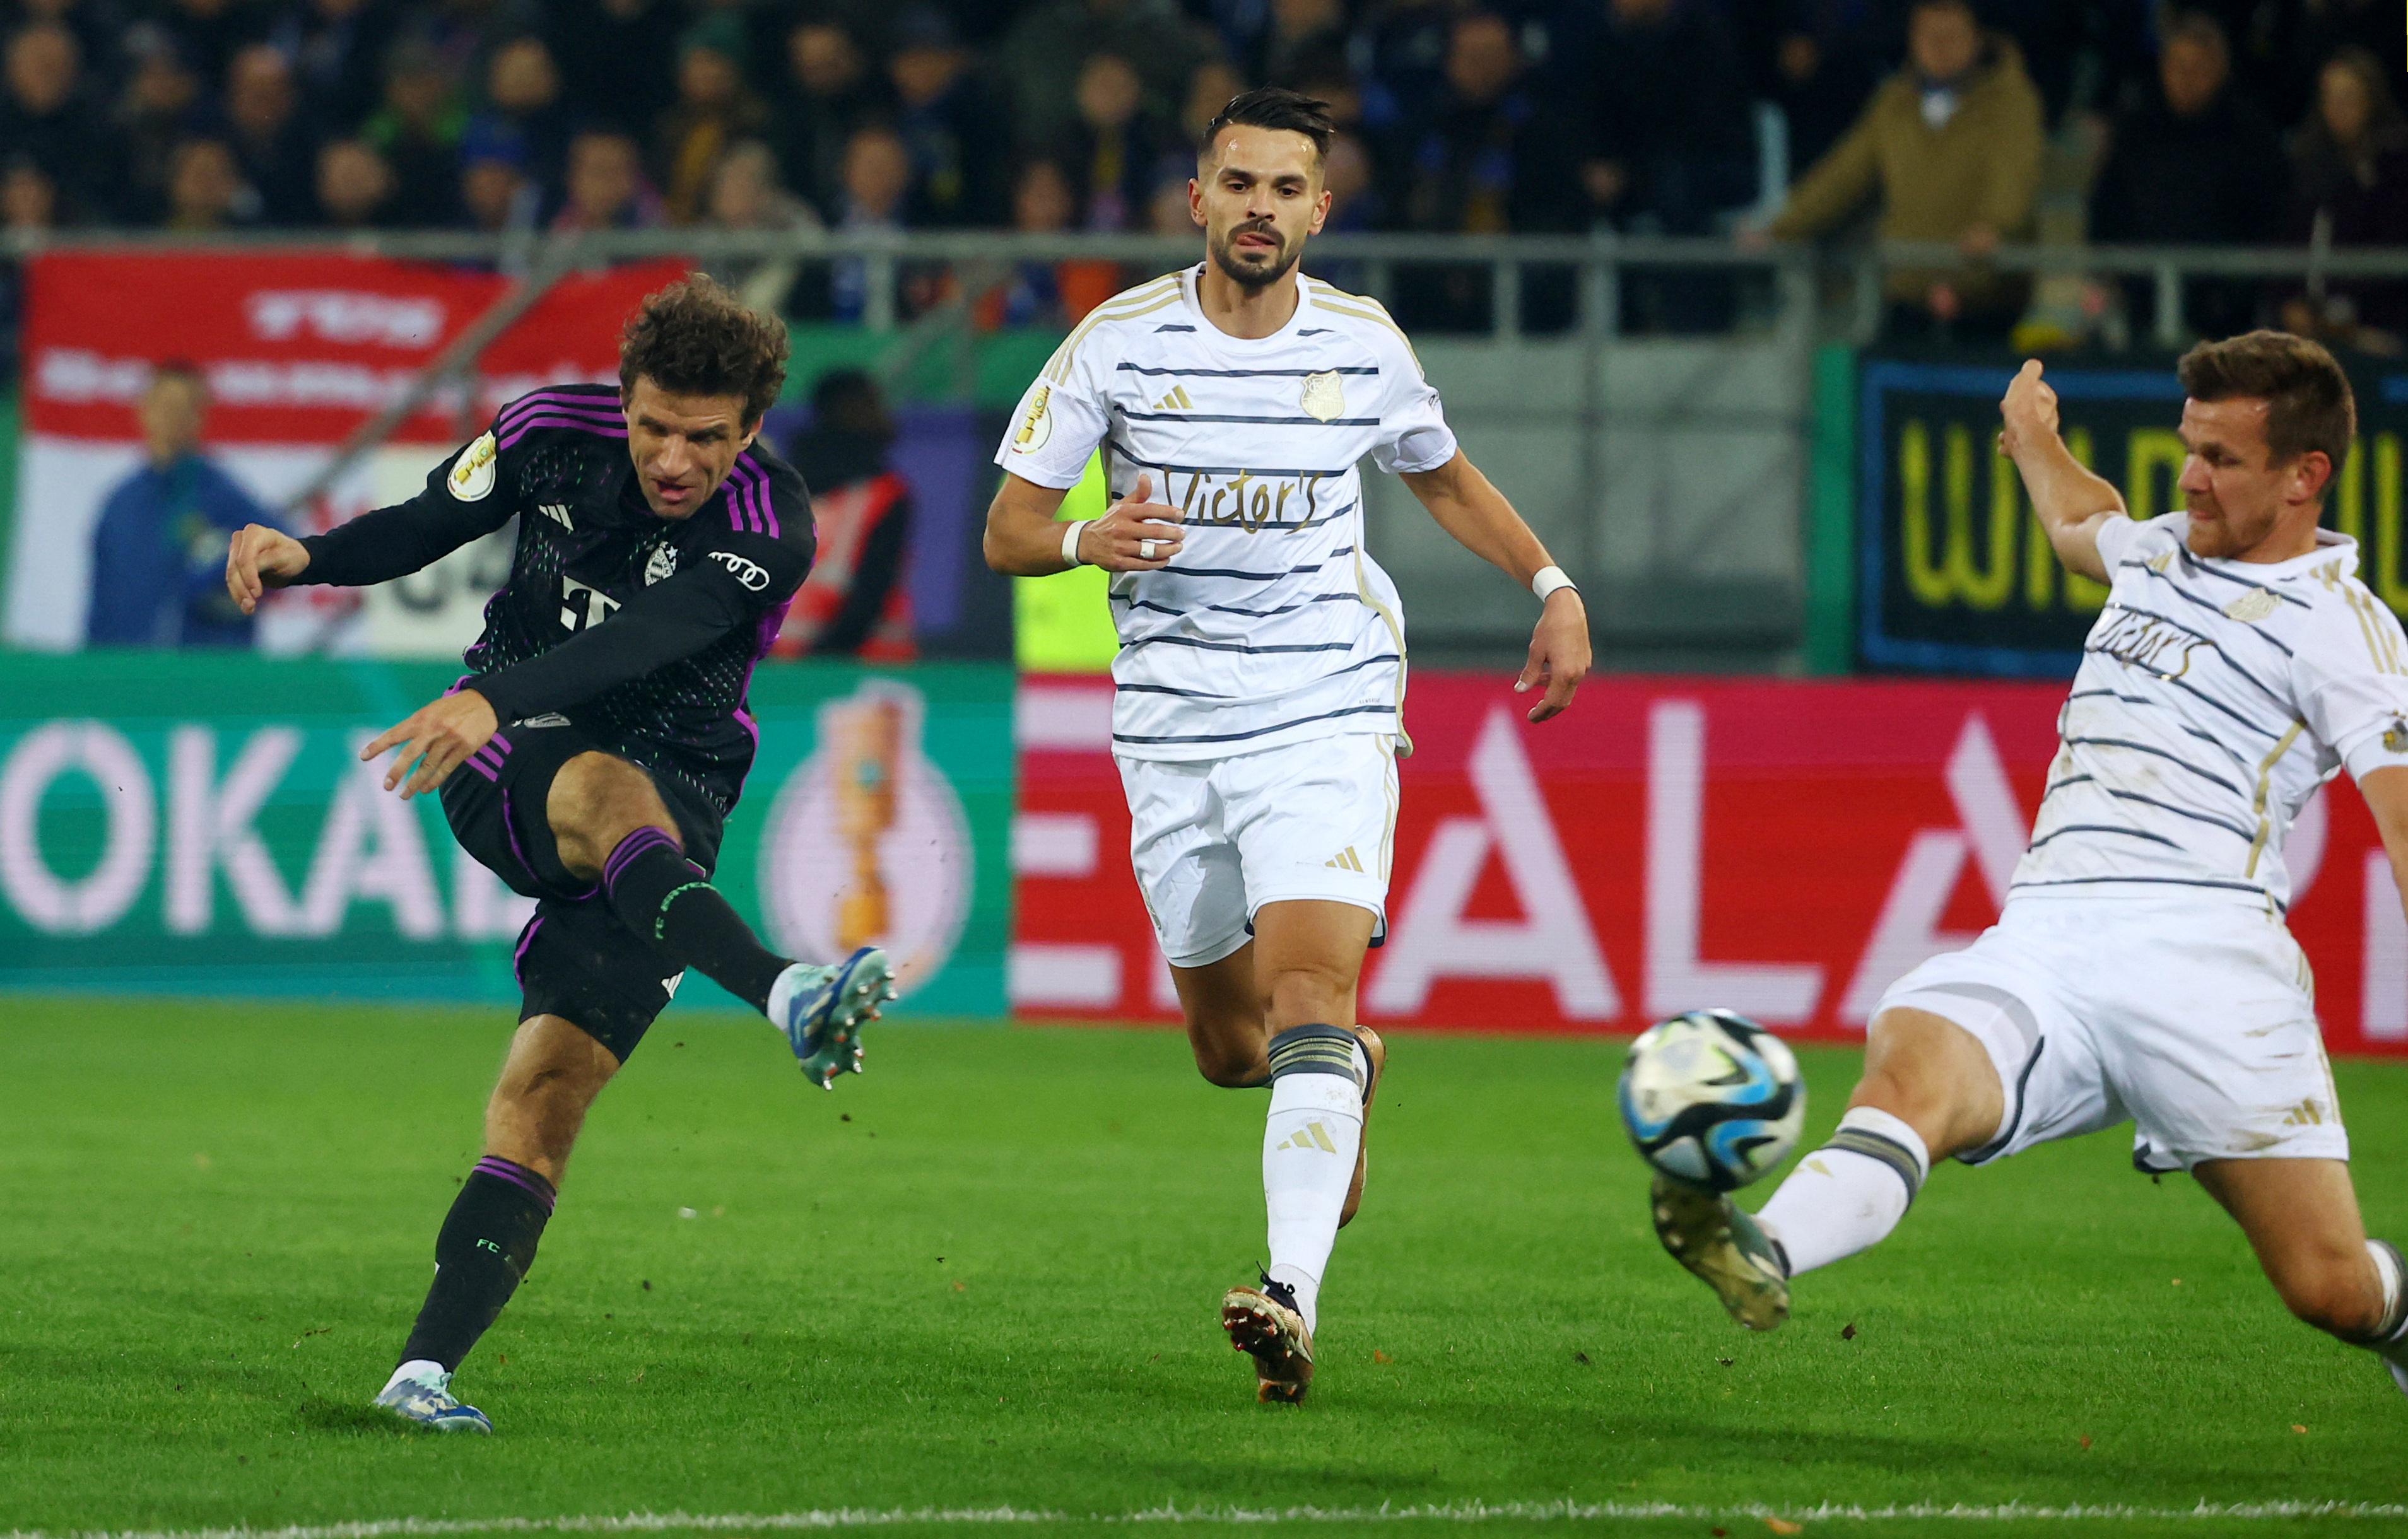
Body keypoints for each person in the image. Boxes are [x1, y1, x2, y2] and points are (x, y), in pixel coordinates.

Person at [1650, 331, 2408, 1403]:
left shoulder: (2347, 631)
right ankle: (1763, 1247)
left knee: (2329, 1290)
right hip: (2047, 937)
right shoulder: (2156, 550)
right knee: (1910, 1064)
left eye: (2221, 460)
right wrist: (2032, 436)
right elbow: (2072, 522)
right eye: (2186, 449)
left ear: (2305, 476)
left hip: (2209, 967)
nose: (2189, 477)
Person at [981, 87, 1590, 1403]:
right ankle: (1349, 1075)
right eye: (1238, 184)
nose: (1261, 208)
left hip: (1326, 699)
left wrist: (1549, 582)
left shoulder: (1364, 344)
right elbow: (1010, 529)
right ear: (1197, 201)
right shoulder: (1115, 344)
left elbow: (1437, 473)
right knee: (1228, 1045)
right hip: (1171, 719)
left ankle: (1290, 1290)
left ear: (1321, 207)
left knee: (1312, 990)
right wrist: (1091, 536)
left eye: (1286, 187)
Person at [220, 276, 900, 1434]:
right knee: (595, 785)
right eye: (650, 426)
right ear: (622, 399)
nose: (671, 460)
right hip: (509, 753)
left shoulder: (771, 529)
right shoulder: (546, 432)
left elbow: (643, 642)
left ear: (751, 432)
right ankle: (786, 993)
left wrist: (494, 695)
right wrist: (312, 555)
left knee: (543, 1097)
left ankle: (420, 1374)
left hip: (671, 792)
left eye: (702, 439)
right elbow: (433, 518)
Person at [1753, 0, 2043, 344]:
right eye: (1928, 36)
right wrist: (1783, 227)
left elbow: (2015, 172)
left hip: (1987, 296)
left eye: (1951, 36)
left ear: (1978, 39)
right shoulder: (1894, 103)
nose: (1939, 48)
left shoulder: (2010, 101)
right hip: (1907, 292)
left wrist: (1996, 226)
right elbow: (1844, 175)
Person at [2087, 13, 2286, 342]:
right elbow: (2107, 209)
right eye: (2176, 66)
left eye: (2198, 69)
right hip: (2141, 305)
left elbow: (2266, 221)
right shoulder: (2136, 131)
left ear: (2219, 71)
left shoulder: (2251, 138)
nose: (2185, 78)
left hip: (2226, 314)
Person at [87, 362, 274, 648]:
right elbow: (102, 596)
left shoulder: (221, 495)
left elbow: (279, 558)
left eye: (182, 408)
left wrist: (218, 585)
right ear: (143, 410)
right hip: (128, 673)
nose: (171, 418)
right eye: (163, 406)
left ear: (199, 416)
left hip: (205, 672)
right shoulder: (121, 503)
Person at [774, 369, 913, 660]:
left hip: (788, 665)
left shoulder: (784, 486)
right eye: (870, 404)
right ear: (843, 408)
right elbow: (872, 589)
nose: (882, 415)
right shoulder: (886, 493)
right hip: (861, 673)